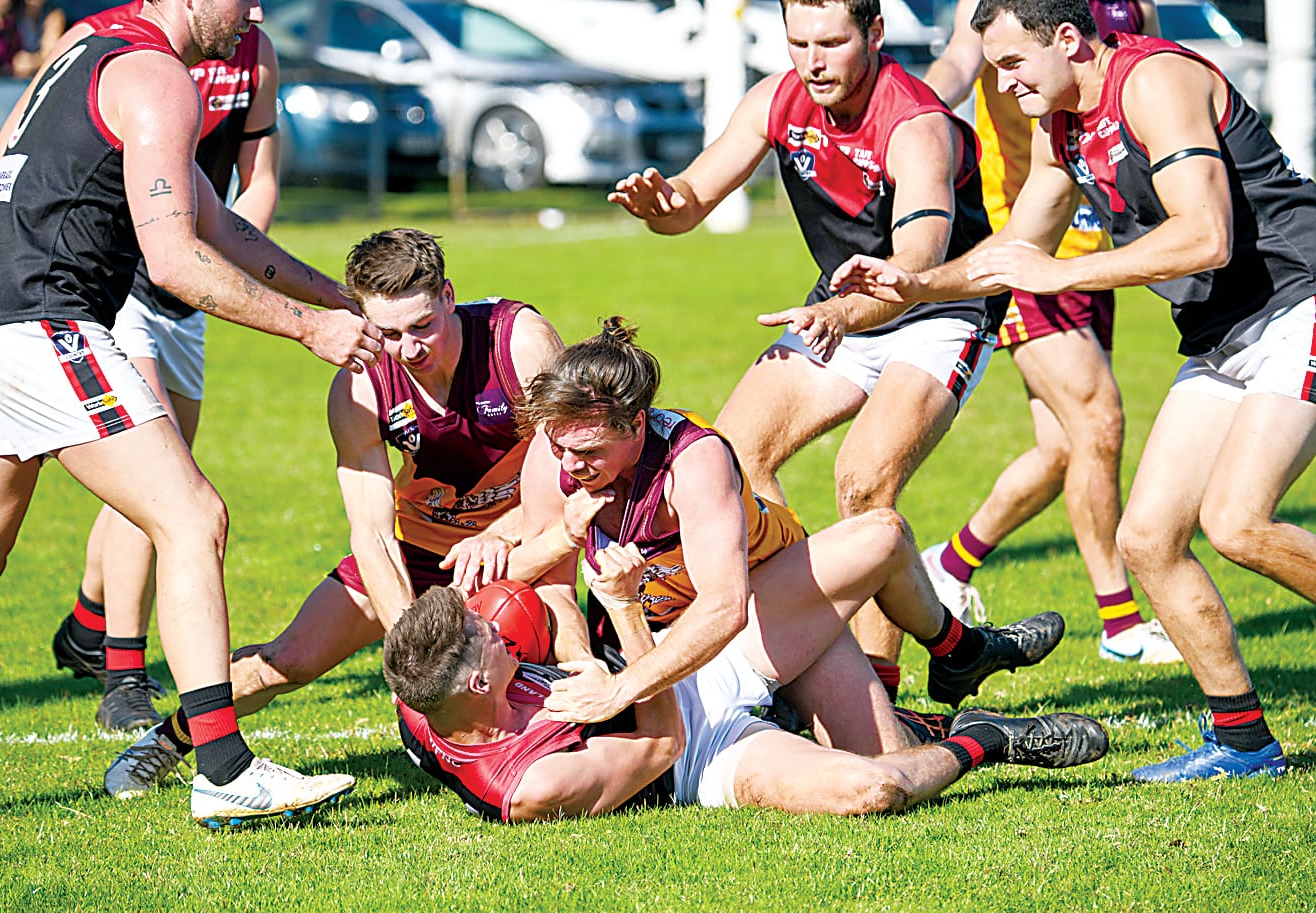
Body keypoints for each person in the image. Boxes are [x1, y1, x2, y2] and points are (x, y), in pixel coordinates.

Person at [830, 0, 1316, 781]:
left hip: (1298, 305)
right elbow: (1016, 248)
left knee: (1237, 521)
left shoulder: (1154, 80)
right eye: (992, 66)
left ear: (1066, 39)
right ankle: (1246, 745)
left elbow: (1208, 234)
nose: (1002, 81)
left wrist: (1062, 273)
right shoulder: (1060, 126)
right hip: (1222, 338)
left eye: (1014, 63)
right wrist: (915, 282)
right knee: (1148, 542)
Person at [0, 0, 382, 827]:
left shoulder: (84, 47)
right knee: (192, 516)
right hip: (42, 325)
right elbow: (177, 260)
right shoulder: (161, 77)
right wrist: (308, 330)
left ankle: (213, 757)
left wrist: (337, 299)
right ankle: (224, 767)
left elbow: (222, 227)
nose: (250, 13)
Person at [101, 229, 598, 799]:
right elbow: (373, 533)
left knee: (558, 624)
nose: (408, 348)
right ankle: (165, 742)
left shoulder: (520, 344)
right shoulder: (359, 387)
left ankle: (601, 741)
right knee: (286, 662)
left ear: (448, 296)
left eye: (421, 326)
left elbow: (566, 477)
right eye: (387, 333)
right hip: (414, 551)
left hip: (519, 542)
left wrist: (500, 540)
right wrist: (413, 647)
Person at [608, 0, 1006, 700]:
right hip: (835, 308)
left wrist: (846, 312)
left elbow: (916, 261)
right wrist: (661, 208)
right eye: (798, 42)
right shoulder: (776, 98)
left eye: (831, 42)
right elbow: (694, 196)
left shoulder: (916, 126)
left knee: (864, 483)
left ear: (875, 34)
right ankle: (797, 645)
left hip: (938, 309)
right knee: (730, 454)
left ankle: (880, 692)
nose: (813, 61)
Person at [509, 319, 1065, 763]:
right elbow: (541, 572)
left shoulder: (691, 461)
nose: (570, 464)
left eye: (587, 452)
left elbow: (725, 608)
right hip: (653, 641)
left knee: (882, 533)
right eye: (561, 448)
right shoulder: (554, 449)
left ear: (635, 423)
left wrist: (623, 688)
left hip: (764, 608)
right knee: (882, 759)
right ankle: (972, 719)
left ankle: (956, 651)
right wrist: (562, 561)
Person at [29, 0, 285, 733]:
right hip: (123, 280)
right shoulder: (111, 40)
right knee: (159, 472)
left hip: (189, 278)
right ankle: (124, 672)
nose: (259, 9)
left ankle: (86, 617)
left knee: (163, 466)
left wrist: (232, 262)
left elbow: (258, 176)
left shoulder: (254, 52)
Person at [384, 569, 1109, 823]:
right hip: (695, 754)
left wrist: (585, 667)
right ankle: (989, 736)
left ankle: (964, 651)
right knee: (871, 790)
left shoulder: (420, 688)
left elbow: (546, 596)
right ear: (478, 685)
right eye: (489, 641)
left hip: (670, 674)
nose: (500, 632)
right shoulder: (534, 783)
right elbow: (664, 740)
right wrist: (630, 617)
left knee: (875, 540)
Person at [918, 0, 1179, 666]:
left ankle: (948, 565)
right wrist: (910, 114)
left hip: (1096, 245)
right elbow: (958, 60)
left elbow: (1149, 81)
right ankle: (1120, 625)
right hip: (1023, 244)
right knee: (1099, 419)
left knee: (1063, 450)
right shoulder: (1001, 9)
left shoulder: (1127, 6)